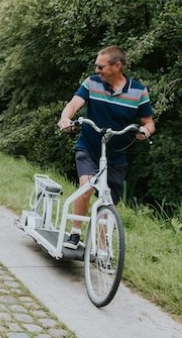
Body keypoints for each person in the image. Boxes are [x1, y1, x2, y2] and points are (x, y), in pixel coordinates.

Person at [57, 45, 155, 249]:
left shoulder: (138, 91)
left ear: (117, 66)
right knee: (86, 188)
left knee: (107, 201)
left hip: (116, 155)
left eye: (101, 67)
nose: (96, 71)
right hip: (89, 147)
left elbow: (149, 122)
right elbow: (74, 104)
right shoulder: (92, 83)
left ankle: (102, 247)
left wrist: (145, 131)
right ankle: (75, 233)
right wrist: (65, 119)